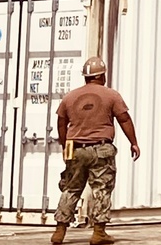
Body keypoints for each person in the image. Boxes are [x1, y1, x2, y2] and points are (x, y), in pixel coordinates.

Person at [50, 55, 140, 245]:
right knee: (102, 189)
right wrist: (133, 142)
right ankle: (99, 233)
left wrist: (66, 145)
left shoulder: (70, 97)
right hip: (101, 149)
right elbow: (124, 119)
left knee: (71, 188)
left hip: (75, 148)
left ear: (86, 76)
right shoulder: (111, 95)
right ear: (102, 76)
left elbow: (61, 122)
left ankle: (59, 231)